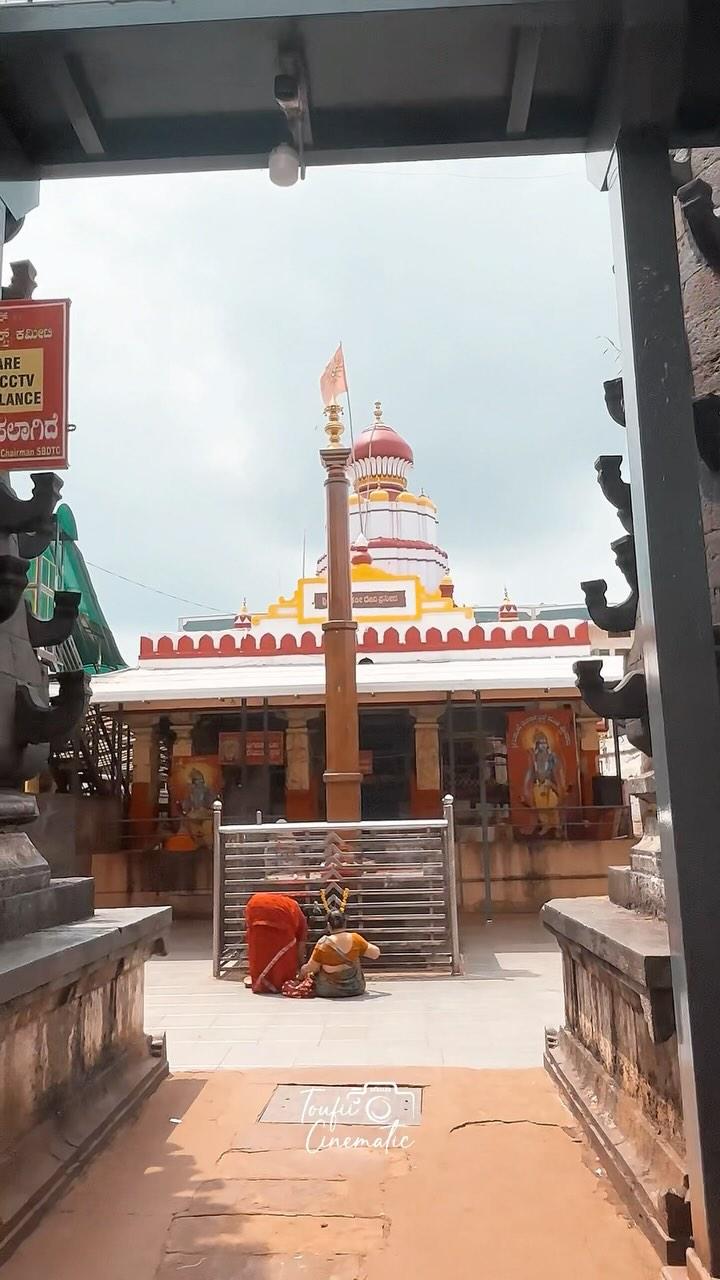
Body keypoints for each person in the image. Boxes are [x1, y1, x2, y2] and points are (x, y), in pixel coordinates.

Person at [300, 891, 380, 998]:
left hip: (328, 991)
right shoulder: (355, 938)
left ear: (329, 925)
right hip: (356, 988)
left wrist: (300, 973)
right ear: (345, 923)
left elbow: (311, 968)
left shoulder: (323, 943)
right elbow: (375, 954)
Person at [245, 892, 308, 994]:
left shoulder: (289, 904)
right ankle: (278, 982)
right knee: (284, 954)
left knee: (258, 952)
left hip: (255, 906)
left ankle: (260, 981)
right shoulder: (296, 910)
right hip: (275, 918)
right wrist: (301, 967)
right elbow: (301, 946)